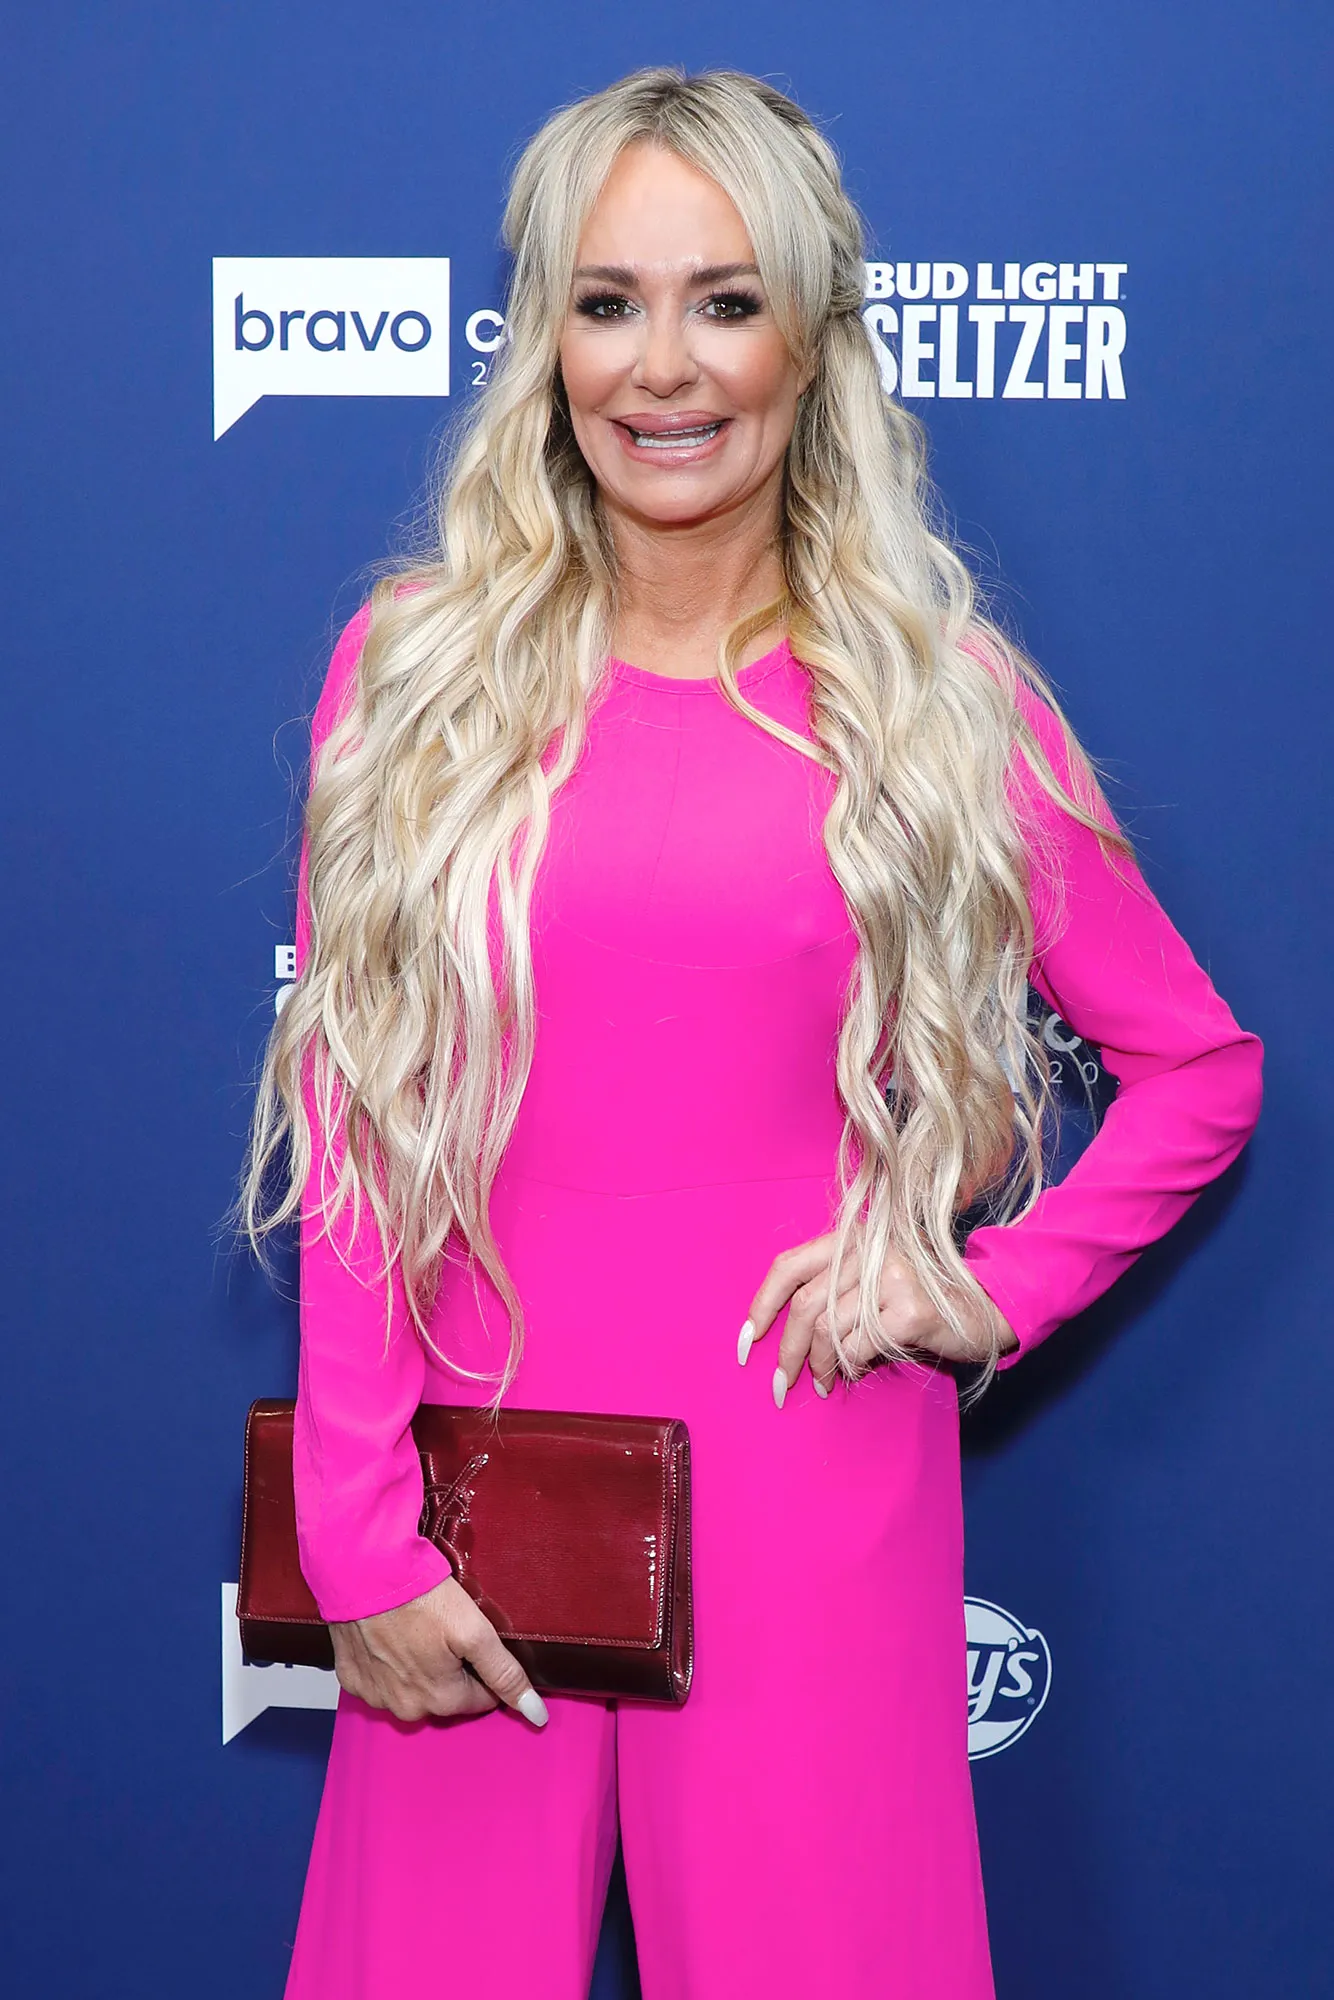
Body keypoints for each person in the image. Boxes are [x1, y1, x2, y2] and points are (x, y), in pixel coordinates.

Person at [243, 66, 1263, 2000]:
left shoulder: (935, 702)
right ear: (545, 341)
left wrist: (991, 1287)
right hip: (474, 1504)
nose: (663, 366)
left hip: (812, 1479)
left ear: (809, 338)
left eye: (723, 301)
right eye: (607, 302)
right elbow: (359, 1122)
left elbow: (1197, 1069)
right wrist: (358, 1534)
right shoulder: (411, 678)